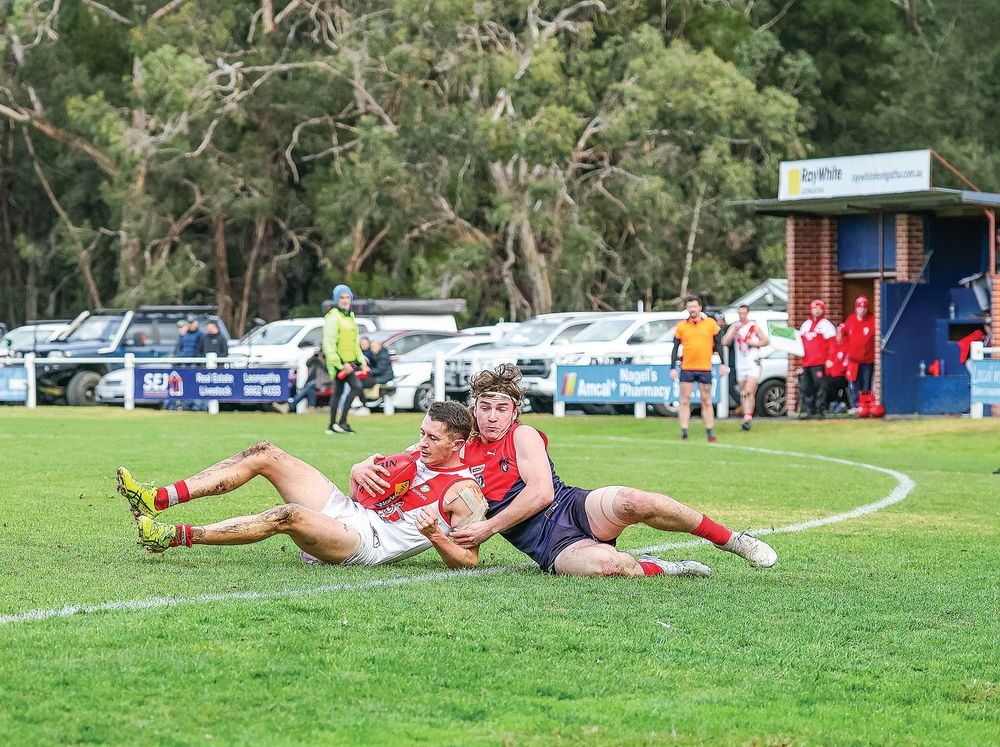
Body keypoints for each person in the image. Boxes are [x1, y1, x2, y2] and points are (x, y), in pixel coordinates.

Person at [432, 365, 776, 578]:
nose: (492, 416)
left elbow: (542, 493)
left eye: (501, 408)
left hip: (571, 507)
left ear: (514, 412)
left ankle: (733, 540)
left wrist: (488, 528)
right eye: (485, 408)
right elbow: (421, 451)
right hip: (548, 545)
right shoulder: (459, 449)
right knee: (609, 566)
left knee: (635, 501)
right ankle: (666, 566)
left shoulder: (523, 435)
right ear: (474, 410)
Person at [117, 401, 487, 568]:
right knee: (265, 452)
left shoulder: (465, 493)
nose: (422, 443)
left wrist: (436, 536)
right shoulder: (414, 453)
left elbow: (469, 560)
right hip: (349, 513)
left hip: (366, 543)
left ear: (457, 445)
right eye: (421, 432)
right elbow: (367, 497)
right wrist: (357, 472)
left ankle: (169, 536)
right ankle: (157, 498)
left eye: (432, 438)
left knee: (288, 515)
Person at [670, 295, 728, 442]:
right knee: (685, 400)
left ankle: (710, 432)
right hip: (687, 367)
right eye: (690, 307)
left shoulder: (710, 324)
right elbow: (675, 347)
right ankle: (684, 431)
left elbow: (718, 344)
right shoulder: (682, 326)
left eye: (694, 306)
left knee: (706, 400)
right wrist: (672, 367)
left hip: (704, 368)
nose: (692, 309)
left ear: (700, 308)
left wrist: (723, 363)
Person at [323, 284, 369, 434]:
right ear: (336, 300)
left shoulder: (350, 316)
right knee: (356, 387)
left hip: (350, 363)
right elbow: (329, 344)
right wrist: (340, 364)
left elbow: (355, 344)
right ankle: (341, 422)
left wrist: (362, 362)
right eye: (342, 297)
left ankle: (333, 425)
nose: (345, 300)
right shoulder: (333, 317)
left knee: (338, 392)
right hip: (340, 364)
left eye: (348, 297)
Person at [722, 304, 769, 431]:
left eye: (743, 313)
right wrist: (732, 331)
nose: (741, 315)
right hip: (741, 364)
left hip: (752, 363)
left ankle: (748, 417)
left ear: (747, 313)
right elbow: (725, 342)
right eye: (739, 313)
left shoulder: (753, 326)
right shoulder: (735, 326)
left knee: (748, 391)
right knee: (743, 392)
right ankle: (746, 417)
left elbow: (765, 341)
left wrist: (754, 343)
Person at [797, 299, 837, 418]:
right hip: (807, 363)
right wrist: (800, 363)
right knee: (807, 387)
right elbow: (799, 345)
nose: (817, 310)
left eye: (819, 308)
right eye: (815, 308)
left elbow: (833, 344)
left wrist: (830, 359)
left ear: (823, 310)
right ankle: (810, 411)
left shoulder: (826, 325)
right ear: (811, 310)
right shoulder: (805, 325)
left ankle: (820, 410)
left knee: (820, 387)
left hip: (819, 362)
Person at [840, 296, 875, 407]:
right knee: (853, 383)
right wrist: (847, 349)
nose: (862, 310)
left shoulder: (873, 320)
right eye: (860, 307)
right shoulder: (851, 320)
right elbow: (844, 335)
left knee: (866, 384)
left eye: (864, 307)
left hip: (868, 360)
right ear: (856, 309)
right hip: (853, 360)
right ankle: (855, 406)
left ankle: (865, 405)